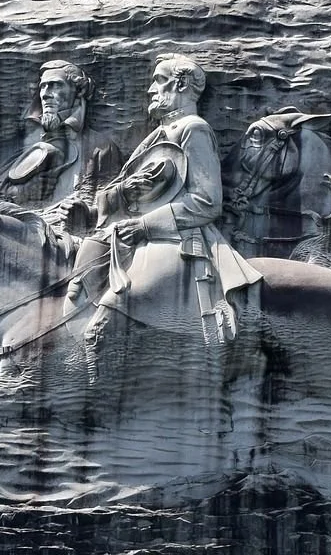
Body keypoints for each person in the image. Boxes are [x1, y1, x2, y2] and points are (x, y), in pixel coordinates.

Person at [70, 54, 261, 347]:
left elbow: (207, 201)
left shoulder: (193, 128)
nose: (151, 90)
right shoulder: (158, 134)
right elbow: (131, 191)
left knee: (105, 322)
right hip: (130, 236)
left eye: (159, 80)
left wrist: (145, 226)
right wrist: (93, 212)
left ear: (181, 84)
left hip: (175, 239)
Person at [0, 60, 120, 212]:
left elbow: (109, 204)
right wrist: (24, 192)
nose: (45, 95)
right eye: (43, 86)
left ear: (79, 90)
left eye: (55, 85)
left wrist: (83, 212)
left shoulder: (100, 148)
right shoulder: (24, 142)